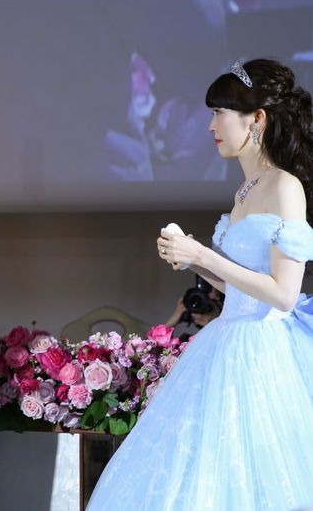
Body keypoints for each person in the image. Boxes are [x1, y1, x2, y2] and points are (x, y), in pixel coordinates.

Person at [87, 59, 313, 510]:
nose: (210, 125)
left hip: (262, 353)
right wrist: (196, 260)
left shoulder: (284, 186)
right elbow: (242, 290)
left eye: (219, 113)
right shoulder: (245, 190)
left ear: (257, 119)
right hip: (226, 341)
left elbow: (284, 295)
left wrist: (205, 256)